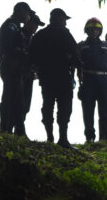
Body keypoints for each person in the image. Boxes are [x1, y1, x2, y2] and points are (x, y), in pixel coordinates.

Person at [29, 8, 81, 147]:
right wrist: (79, 67)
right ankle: (62, 138)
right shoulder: (64, 33)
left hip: (46, 76)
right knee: (64, 107)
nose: (65, 23)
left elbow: (32, 56)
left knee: (48, 105)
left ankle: (50, 137)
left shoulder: (40, 34)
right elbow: (76, 53)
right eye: (64, 20)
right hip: (62, 76)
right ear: (59, 19)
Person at [0, 1, 33, 134]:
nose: (28, 17)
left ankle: (15, 130)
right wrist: (8, 62)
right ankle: (5, 128)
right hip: (11, 67)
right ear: (21, 11)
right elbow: (2, 48)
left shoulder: (15, 26)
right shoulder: (11, 26)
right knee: (10, 98)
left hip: (15, 67)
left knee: (17, 99)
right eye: (27, 13)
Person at [77, 17, 107, 141]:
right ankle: (90, 137)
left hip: (104, 80)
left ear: (100, 31)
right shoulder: (81, 46)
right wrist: (77, 79)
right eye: (92, 29)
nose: (94, 31)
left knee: (106, 109)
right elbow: (75, 63)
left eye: (97, 29)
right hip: (88, 80)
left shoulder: (106, 46)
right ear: (87, 30)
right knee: (88, 110)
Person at [14, 12, 44, 137]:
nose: (36, 28)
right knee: (17, 103)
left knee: (25, 105)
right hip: (17, 74)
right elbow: (0, 51)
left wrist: (36, 71)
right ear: (29, 23)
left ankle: (18, 130)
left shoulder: (33, 39)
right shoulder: (17, 34)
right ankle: (18, 130)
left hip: (29, 75)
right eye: (35, 24)